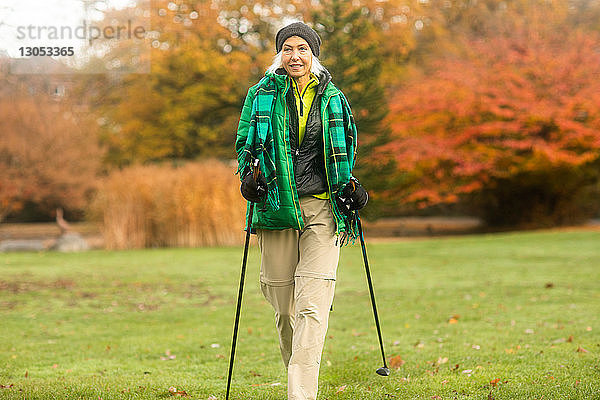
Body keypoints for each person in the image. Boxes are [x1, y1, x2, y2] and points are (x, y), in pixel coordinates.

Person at [235, 21, 368, 400]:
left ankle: (301, 394)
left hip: (323, 209)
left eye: (303, 49)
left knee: (312, 304)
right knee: (284, 304)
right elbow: (245, 143)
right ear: (280, 54)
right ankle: (299, 372)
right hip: (277, 207)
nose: (295, 55)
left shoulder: (334, 98)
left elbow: (347, 150)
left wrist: (353, 191)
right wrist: (249, 178)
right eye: (288, 48)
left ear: (314, 54)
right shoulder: (260, 95)